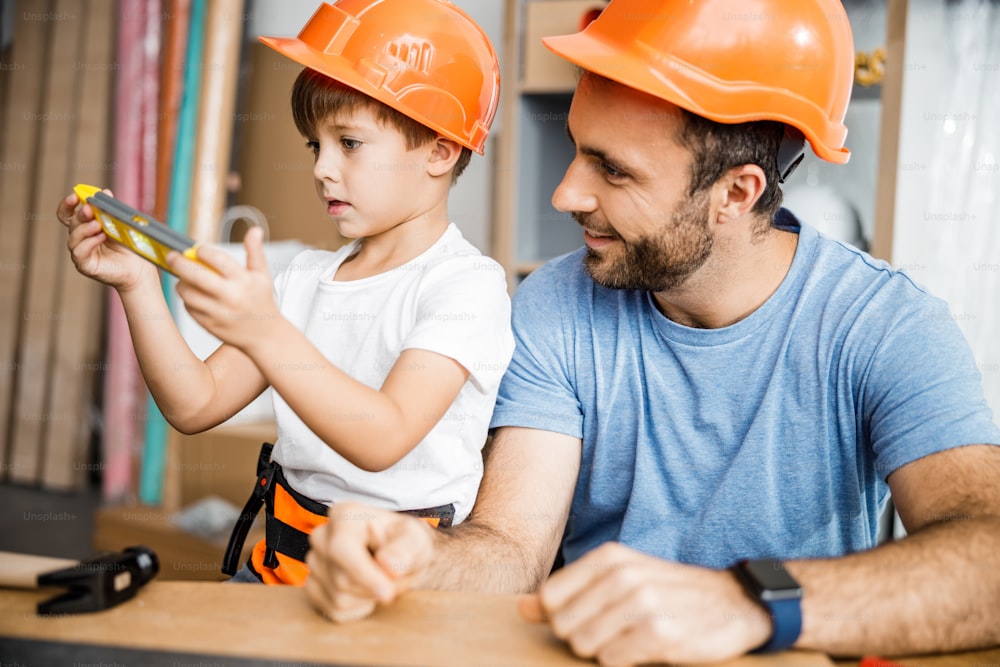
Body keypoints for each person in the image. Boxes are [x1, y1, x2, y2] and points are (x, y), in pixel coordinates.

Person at [303, 0, 1000, 663]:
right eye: (579, 150)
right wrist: (420, 560)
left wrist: (744, 605)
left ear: (737, 192)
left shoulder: (885, 326)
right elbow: (512, 549)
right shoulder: (556, 304)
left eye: (613, 169)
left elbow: (990, 559)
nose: (567, 194)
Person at [57, 0, 513, 586]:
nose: (322, 168)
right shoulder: (303, 280)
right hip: (275, 570)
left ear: (440, 151)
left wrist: (265, 331)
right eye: (314, 146)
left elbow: (384, 437)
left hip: (395, 588)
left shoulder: (466, 285)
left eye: (348, 143)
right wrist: (139, 283)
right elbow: (193, 405)